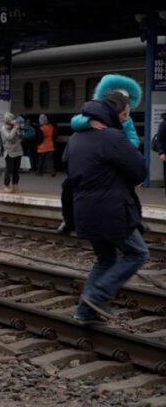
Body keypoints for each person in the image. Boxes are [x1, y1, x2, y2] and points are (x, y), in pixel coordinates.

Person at [64, 91, 148, 323]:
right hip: (112, 210)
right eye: (123, 114)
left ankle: (85, 310)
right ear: (113, 113)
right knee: (138, 253)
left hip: (84, 210)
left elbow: (68, 178)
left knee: (106, 258)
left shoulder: (75, 139)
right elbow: (139, 171)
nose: (125, 119)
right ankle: (97, 295)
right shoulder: (112, 137)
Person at [0, 112, 23, 193]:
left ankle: (15, 185)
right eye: (11, 119)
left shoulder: (15, 126)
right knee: (9, 169)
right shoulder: (3, 128)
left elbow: (21, 136)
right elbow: (9, 137)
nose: (13, 121)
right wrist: (15, 128)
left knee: (16, 169)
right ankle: (6, 185)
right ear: (7, 120)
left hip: (18, 151)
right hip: (9, 152)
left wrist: (20, 128)